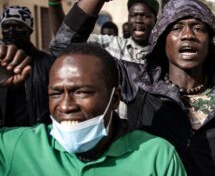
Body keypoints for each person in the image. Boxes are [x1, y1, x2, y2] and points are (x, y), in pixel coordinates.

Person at [49, 0, 215, 175]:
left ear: (211, 42)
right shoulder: (138, 81)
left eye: (198, 28)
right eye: (176, 28)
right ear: (161, 40)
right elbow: (64, 48)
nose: (188, 35)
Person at [0, 43, 187, 176]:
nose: (66, 106)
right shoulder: (16, 147)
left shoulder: (156, 156)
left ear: (114, 99)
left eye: (81, 92)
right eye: (56, 93)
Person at [0, 5, 54, 128]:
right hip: (4, 136)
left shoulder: (47, 63)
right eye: (6, 26)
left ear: (29, 30)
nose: (11, 31)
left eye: (18, 26)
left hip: (35, 135)